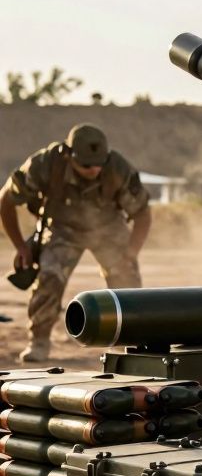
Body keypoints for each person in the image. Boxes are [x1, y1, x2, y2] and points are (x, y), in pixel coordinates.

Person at [1, 124, 152, 362]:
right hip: (62, 228)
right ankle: (39, 340)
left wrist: (131, 253)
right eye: (86, 165)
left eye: (99, 164)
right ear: (69, 155)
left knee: (126, 281)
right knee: (50, 276)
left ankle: (129, 341)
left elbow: (142, 213)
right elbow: (7, 199)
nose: (94, 169)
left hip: (108, 229)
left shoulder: (117, 168)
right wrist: (21, 246)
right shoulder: (46, 164)